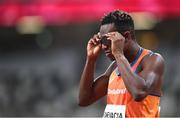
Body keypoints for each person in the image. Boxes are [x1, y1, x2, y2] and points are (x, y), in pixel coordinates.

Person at [78, 10, 165, 117]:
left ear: (126, 37)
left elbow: (139, 93)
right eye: (101, 41)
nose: (104, 46)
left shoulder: (153, 59)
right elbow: (84, 99)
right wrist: (91, 59)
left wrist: (118, 54)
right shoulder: (115, 66)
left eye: (107, 40)